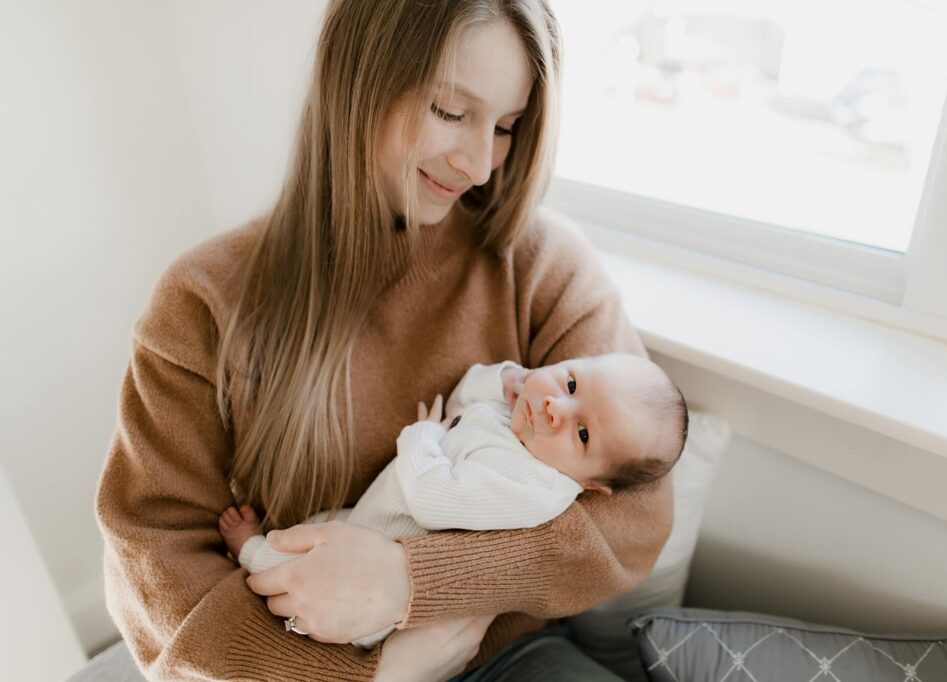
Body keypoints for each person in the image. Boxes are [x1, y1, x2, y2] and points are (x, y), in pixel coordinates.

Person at [95, 1, 675, 680]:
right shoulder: (201, 304)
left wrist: (412, 579)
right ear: (357, 79)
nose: (481, 165)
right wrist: (376, 674)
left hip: (509, 659)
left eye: (507, 127)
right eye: (452, 113)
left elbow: (639, 510)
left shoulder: (539, 261)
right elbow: (156, 579)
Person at [219, 356, 688, 648]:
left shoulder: (535, 487)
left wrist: (422, 435)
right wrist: (505, 378)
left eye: (583, 433)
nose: (555, 409)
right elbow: (468, 396)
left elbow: (430, 500)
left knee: (295, 562)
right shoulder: (526, 421)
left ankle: (250, 552)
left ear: (591, 484)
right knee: (320, 526)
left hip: (371, 596)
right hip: (368, 521)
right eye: (570, 383)